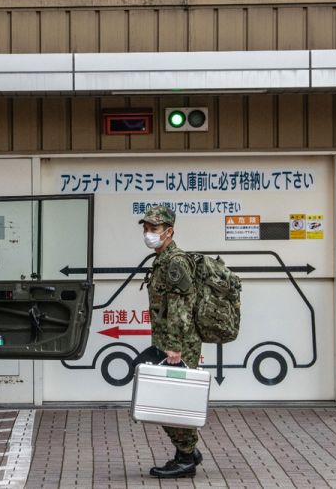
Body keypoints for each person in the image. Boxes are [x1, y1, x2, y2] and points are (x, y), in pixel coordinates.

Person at [133, 205, 203, 478]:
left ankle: (185, 458)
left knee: (173, 401)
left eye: (154, 229)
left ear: (169, 231)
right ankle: (187, 451)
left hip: (179, 342)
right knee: (165, 398)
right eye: (146, 229)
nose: (148, 234)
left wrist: (174, 346)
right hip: (167, 339)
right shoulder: (161, 259)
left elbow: (181, 307)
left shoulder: (175, 262)